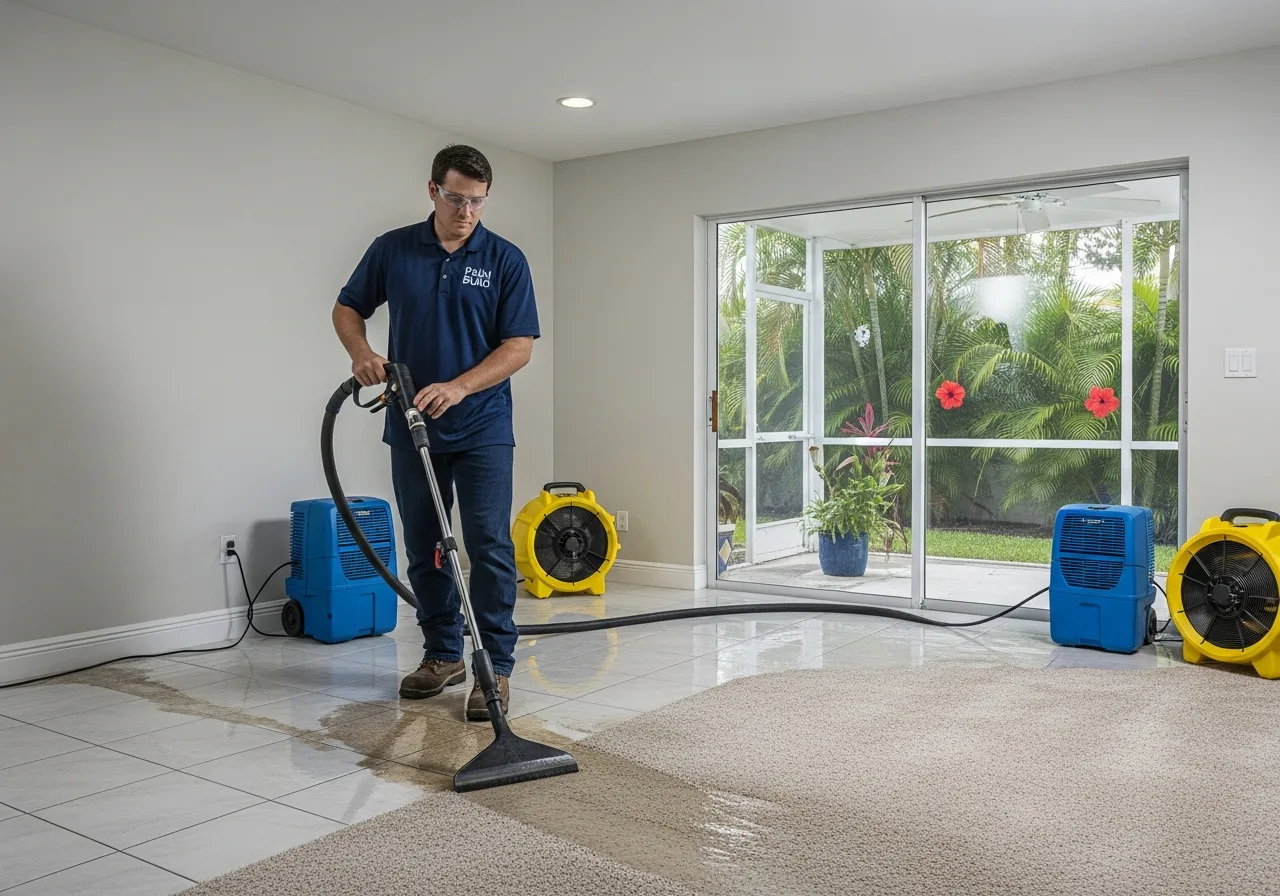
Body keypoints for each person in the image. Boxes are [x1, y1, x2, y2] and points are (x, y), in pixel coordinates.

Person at [331, 144, 538, 721]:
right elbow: (348, 308)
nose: (466, 212)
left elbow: (518, 347)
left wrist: (462, 387)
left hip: (483, 426)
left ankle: (493, 666)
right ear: (432, 191)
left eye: (477, 202)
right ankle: (443, 652)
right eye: (456, 198)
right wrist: (362, 354)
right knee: (424, 545)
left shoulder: (505, 259)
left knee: (488, 546)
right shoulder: (394, 249)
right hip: (411, 421)